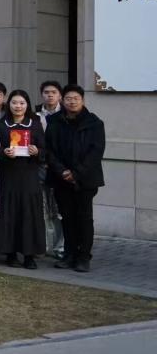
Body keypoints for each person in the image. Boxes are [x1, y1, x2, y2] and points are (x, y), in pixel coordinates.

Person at [46, 84, 105, 273]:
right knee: (67, 218)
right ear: (62, 100)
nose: (72, 102)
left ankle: (83, 257)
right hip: (61, 178)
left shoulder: (94, 123)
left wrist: (76, 173)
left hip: (85, 180)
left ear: (82, 100)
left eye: (76, 99)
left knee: (84, 218)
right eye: (68, 98)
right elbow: (49, 150)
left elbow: (96, 152)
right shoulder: (54, 121)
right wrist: (62, 171)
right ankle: (69, 254)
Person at [0, 89, 47, 269]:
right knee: (9, 214)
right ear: (8, 105)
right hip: (8, 175)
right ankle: (10, 253)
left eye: (22, 103)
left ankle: (29, 255)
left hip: (29, 176)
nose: (18, 106)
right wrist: (4, 152)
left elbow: (45, 149)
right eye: (14, 103)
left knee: (29, 214)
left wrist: (37, 151)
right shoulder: (0, 125)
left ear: (27, 105)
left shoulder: (35, 124)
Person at [35, 78, 64, 257]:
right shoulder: (35, 114)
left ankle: (61, 247)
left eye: (53, 92)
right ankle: (45, 245)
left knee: (60, 209)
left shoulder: (66, 114)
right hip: (39, 166)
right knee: (42, 207)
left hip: (60, 167)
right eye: (46, 92)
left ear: (60, 95)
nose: (50, 95)